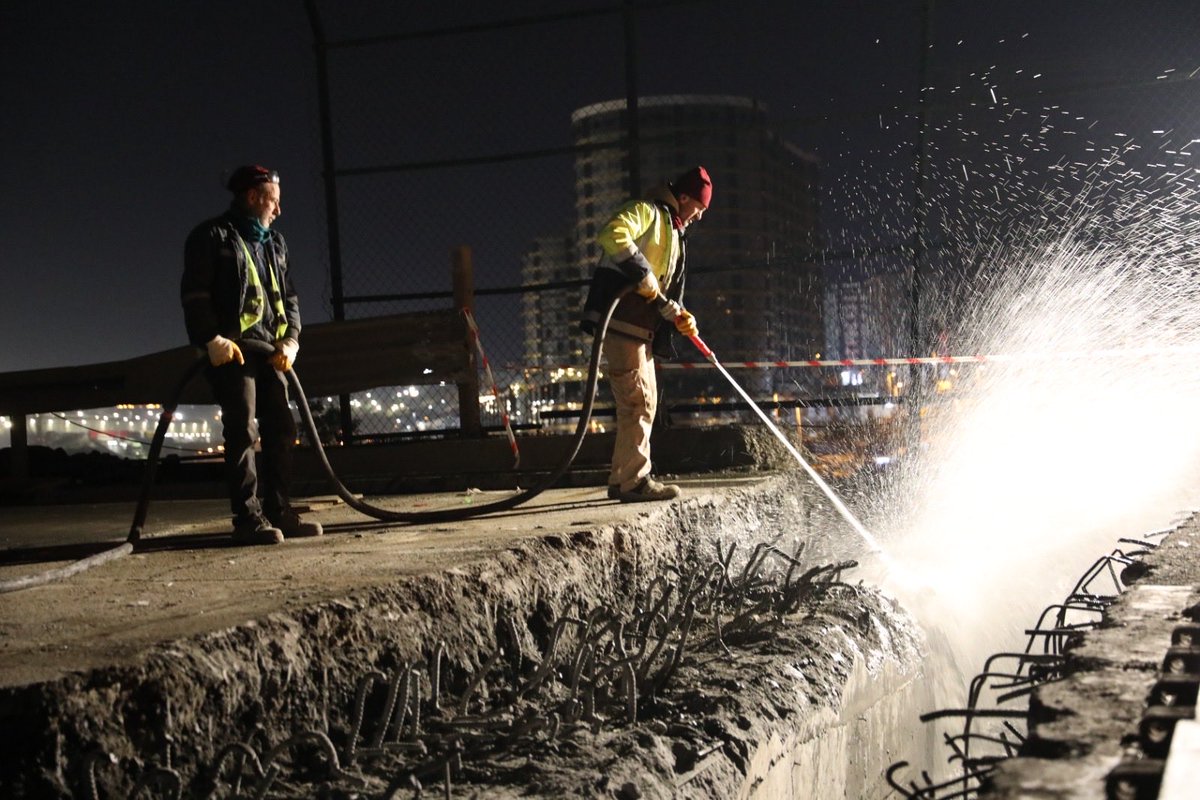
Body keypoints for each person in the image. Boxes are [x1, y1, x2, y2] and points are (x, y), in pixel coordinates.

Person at [181, 165, 323, 544]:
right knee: (243, 427)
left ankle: (279, 510)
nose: (278, 210)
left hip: (271, 351)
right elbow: (195, 295)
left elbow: (289, 298)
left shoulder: (276, 244)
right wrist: (211, 339)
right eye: (273, 201)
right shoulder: (211, 237)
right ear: (253, 197)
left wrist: (291, 340)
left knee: (282, 428)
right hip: (234, 353)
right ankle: (247, 519)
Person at [581, 166, 711, 503]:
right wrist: (642, 273)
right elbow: (613, 233)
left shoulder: (674, 231)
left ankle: (622, 478)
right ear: (683, 198)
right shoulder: (647, 213)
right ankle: (635, 482)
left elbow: (664, 289)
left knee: (641, 403)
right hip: (622, 322)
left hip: (641, 329)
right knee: (638, 401)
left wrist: (680, 316)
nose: (698, 216)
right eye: (698, 207)